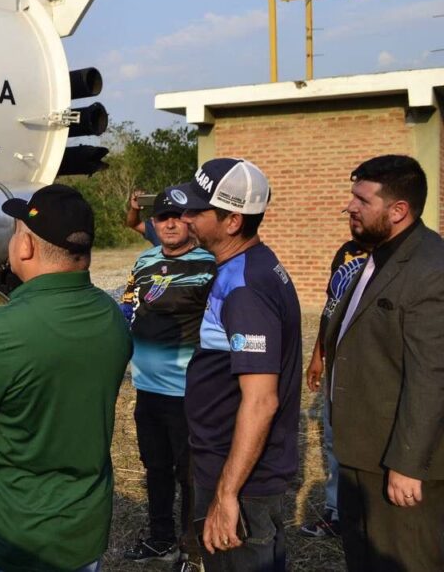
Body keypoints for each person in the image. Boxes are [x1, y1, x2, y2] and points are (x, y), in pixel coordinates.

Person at [0, 184, 132, 572]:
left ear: (26, 246)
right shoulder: (113, 318)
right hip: (83, 534)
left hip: (16, 537)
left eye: (15, 232)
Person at [171, 158, 302, 572]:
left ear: (231, 221)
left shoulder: (246, 288)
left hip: (242, 478)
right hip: (233, 465)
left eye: (197, 211)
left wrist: (227, 494)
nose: (185, 218)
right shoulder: (245, 267)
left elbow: (261, 400)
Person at [324, 154, 444, 572]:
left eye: (362, 199)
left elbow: (432, 376)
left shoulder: (431, 268)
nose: (350, 207)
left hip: (398, 466)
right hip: (359, 455)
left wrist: (407, 465)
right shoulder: (374, 256)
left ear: (398, 211)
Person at [119, 192, 216, 568]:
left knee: (191, 474)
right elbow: (129, 307)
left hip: (190, 392)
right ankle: (161, 539)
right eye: (163, 217)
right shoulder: (144, 261)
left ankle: (193, 549)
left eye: (177, 216)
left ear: (189, 220)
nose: (170, 223)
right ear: (154, 223)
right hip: (148, 388)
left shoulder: (210, 264)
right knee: (154, 467)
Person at [299, 239, 369, 538]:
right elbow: (331, 309)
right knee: (333, 440)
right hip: (338, 367)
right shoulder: (346, 254)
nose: (354, 212)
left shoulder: (396, 260)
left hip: (371, 372)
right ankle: (337, 513)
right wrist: (319, 354)